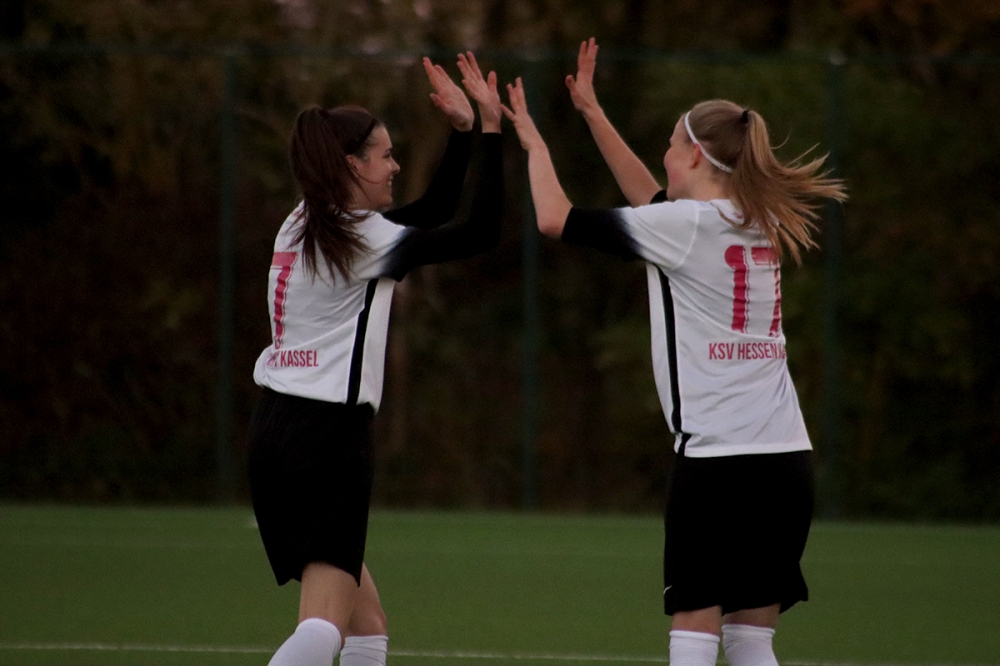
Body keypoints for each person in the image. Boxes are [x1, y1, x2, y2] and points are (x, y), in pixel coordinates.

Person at [502, 38, 846, 666]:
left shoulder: (686, 228)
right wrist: (593, 113)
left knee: (694, 631)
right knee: (751, 641)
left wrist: (534, 144)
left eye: (668, 143)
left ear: (692, 153)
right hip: (785, 461)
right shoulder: (756, 218)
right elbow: (654, 205)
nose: (662, 155)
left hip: (718, 462)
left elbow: (554, 218)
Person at [248, 53, 502, 666]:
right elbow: (478, 231)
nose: (394, 167)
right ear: (351, 165)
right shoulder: (364, 240)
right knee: (323, 628)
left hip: (274, 432)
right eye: (385, 156)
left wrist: (462, 133)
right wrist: (492, 131)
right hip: (327, 437)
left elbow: (430, 212)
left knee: (367, 625)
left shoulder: (302, 223)